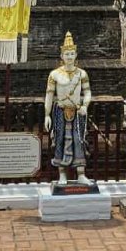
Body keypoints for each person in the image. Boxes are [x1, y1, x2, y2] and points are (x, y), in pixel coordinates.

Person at [44, 33, 92, 186]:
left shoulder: (82, 74)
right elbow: (49, 95)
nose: (69, 56)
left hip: (78, 111)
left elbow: (88, 92)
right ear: (62, 55)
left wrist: (85, 105)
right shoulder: (55, 74)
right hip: (60, 111)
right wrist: (47, 114)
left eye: (72, 54)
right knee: (59, 139)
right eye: (67, 54)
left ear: (76, 55)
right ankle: (62, 174)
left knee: (79, 140)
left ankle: (81, 174)